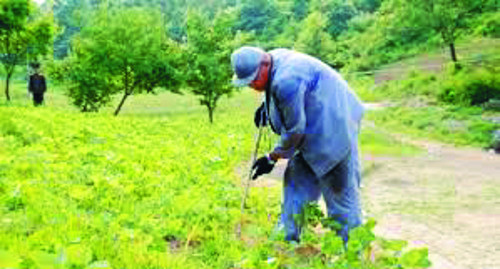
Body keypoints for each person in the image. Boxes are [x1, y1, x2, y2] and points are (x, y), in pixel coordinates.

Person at [231, 46, 365, 243]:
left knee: (341, 200)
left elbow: (295, 131)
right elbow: (280, 94)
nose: (252, 86)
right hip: (312, 131)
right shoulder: (274, 60)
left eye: (253, 80)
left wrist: (271, 158)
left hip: (334, 129)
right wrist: (267, 108)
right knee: (295, 186)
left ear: (265, 64)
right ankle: (285, 244)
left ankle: (352, 253)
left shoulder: (286, 79)